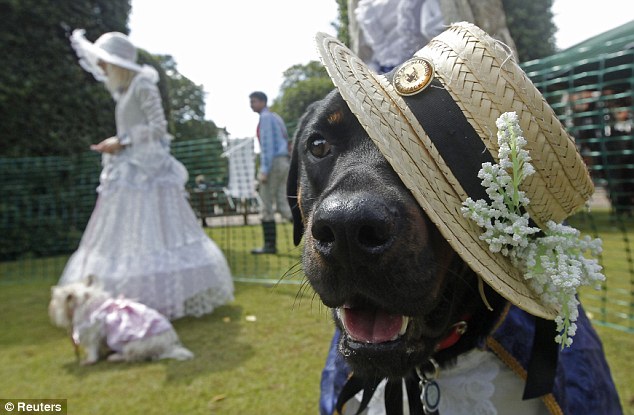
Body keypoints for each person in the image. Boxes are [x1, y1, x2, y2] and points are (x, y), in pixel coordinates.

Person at [58, 29, 234, 320]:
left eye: (105, 61)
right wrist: (118, 143)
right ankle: (131, 298)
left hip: (149, 172)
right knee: (130, 233)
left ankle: (163, 298)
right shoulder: (124, 91)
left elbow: (158, 127)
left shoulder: (142, 85)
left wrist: (122, 140)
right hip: (128, 170)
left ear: (118, 62)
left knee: (159, 233)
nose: (101, 68)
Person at [249, 91, 292, 254]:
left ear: (262, 102)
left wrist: (264, 170)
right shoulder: (276, 117)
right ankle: (314, 235)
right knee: (282, 205)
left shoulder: (265, 118)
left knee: (266, 205)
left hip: (273, 163)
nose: (251, 105)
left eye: (253, 102)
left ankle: (269, 246)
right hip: (283, 162)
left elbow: (266, 146)